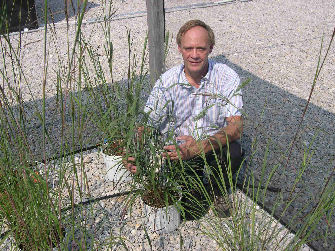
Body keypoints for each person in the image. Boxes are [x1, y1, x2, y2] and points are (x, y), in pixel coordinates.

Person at [126, 19, 244, 219]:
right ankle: (192, 185)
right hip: (179, 152)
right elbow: (146, 124)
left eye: (201, 48)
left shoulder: (226, 76)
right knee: (190, 213)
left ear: (211, 48)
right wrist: (132, 150)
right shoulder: (167, 82)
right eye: (189, 48)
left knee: (234, 152)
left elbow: (236, 127)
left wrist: (198, 147)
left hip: (212, 145)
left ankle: (218, 189)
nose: (195, 55)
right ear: (179, 48)